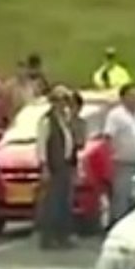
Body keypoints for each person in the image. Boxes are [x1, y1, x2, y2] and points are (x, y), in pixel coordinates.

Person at [35, 87, 77, 250]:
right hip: (54, 166)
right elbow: (41, 146)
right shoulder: (46, 121)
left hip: (64, 165)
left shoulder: (64, 119)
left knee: (64, 203)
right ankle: (48, 238)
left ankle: (62, 236)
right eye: (59, 100)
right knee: (51, 204)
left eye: (64, 100)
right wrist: (44, 167)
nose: (62, 103)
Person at [104, 85, 135, 225]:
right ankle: (117, 221)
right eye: (132, 96)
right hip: (121, 162)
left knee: (134, 195)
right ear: (124, 97)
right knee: (121, 194)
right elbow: (108, 137)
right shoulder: (116, 115)